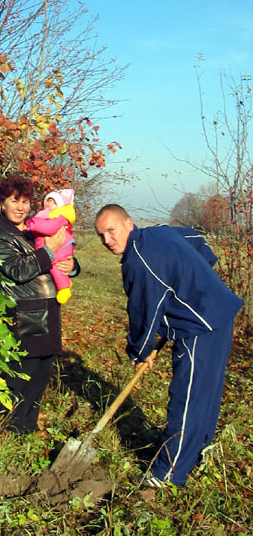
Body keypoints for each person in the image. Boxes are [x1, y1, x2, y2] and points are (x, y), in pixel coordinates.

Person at [94, 204, 243, 487]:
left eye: (111, 231)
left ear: (128, 223)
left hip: (200, 325)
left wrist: (140, 351)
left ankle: (167, 473)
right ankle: (196, 451)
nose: (107, 240)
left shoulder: (137, 259)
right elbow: (195, 240)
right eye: (101, 235)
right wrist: (200, 278)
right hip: (221, 313)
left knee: (187, 398)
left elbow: (143, 312)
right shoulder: (159, 232)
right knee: (206, 394)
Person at [0, 175, 79, 434]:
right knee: (23, 370)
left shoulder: (32, 227)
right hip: (24, 309)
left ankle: (28, 424)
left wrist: (71, 267)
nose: (21, 207)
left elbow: (63, 252)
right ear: (2, 203)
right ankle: (11, 426)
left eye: (26, 201)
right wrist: (49, 251)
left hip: (48, 306)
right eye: (14, 200)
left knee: (44, 368)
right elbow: (16, 270)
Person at [26, 188, 76, 304]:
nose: (49, 204)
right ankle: (64, 285)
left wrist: (72, 266)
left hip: (48, 299)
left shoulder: (58, 218)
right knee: (55, 266)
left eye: (53, 202)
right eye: (48, 201)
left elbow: (48, 228)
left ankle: (64, 287)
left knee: (56, 265)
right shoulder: (44, 216)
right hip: (37, 298)